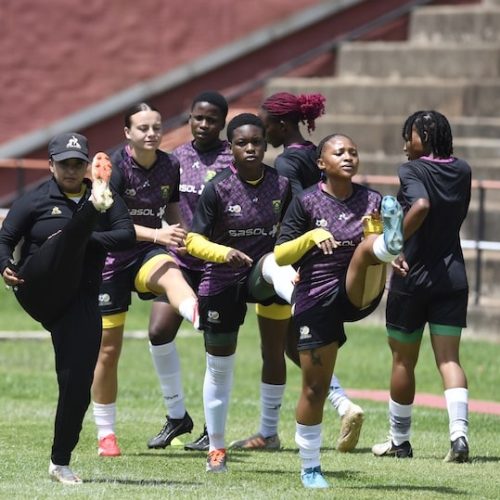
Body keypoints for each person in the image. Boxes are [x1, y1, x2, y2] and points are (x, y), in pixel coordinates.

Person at [231, 91, 364, 453]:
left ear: (280, 124)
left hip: (284, 267)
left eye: (265, 125)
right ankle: (335, 407)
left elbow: (300, 217)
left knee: (274, 347)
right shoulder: (312, 152)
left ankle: (275, 429)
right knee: (292, 346)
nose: (262, 133)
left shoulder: (287, 165)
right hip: (309, 267)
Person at [0, 133, 135, 484]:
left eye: (78, 164)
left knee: (77, 382)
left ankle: (60, 460)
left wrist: (86, 239)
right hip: (40, 285)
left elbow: (126, 236)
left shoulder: (110, 198)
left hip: (80, 297)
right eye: (64, 164)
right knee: (64, 238)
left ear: (87, 166)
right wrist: (4, 265)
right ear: (51, 165)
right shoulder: (35, 200)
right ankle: (85, 218)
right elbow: (4, 239)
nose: (72, 170)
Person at [273, 133, 404, 488]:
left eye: (353, 152)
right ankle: (310, 466)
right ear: (321, 163)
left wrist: (397, 258)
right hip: (317, 298)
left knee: (366, 249)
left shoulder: (373, 199)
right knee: (315, 388)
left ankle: (389, 248)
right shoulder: (306, 203)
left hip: (360, 291)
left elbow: (372, 240)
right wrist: (311, 237)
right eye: (339, 152)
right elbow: (281, 255)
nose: (348, 157)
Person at [185, 113, 292, 472]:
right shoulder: (217, 188)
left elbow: (297, 230)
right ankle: (216, 448)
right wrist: (223, 253)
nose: (250, 148)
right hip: (223, 278)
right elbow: (193, 240)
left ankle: (305, 302)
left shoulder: (283, 185)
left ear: (265, 144)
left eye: (256, 142)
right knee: (219, 369)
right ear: (230, 147)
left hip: (264, 274)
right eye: (242, 143)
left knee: (274, 265)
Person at [91, 103, 199, 457]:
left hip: (146, 252)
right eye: (142, 128)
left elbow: (171, 208)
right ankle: (106, 434)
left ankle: (195, 312)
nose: (151, 133)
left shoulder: (171, 164)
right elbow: (110, 225)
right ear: (128, 133)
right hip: (109, 259)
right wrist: (158, 235)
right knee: (108, 349)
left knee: (170, 270)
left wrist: (181, 233)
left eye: (156, 127)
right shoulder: (115, 168)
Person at [372, 110, 471, 463]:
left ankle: (400, 441)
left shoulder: (411, 170)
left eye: (409, 136)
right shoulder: (463, 170)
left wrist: (392, 245)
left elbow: (422, 205)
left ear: (425, 137)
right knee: (449, 359)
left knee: (402, 360)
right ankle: (459, 437)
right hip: (453, 275)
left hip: (411, 276)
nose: (404, 145)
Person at [146, 91, 232, 453]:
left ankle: (212, 432)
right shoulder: (174, 158)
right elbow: (164, 202)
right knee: (158, 331)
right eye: (198, 117)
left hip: (215, 261)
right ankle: (177, 415)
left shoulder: (234, 157)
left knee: (213, 344)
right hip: (180, 259)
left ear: (222, 122)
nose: (203, 125)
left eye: (211, 119)